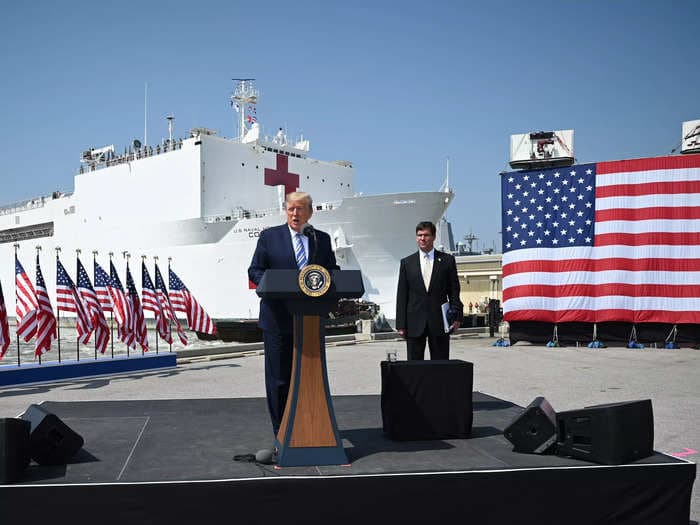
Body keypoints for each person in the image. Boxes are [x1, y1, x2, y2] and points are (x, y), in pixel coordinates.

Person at [248, 191, 339, 445]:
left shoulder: (321, 239)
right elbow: (255, 270)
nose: (295, 214)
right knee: (279, 380)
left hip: (310, 322)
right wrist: (269, 284)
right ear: (285, 211)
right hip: (277, 320)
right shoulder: (269, 237)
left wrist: (334, 281)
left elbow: (332, 272)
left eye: (300, 209)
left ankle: (309, 426)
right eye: (291, 209)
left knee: (311, 378)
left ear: (310, 212)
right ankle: (282, 433)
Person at [396, 221, 463, 360]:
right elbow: (402, 295)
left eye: (426, 235)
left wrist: (457, 317)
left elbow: (454, 290)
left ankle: (440, 383)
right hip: (414, 322)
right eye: (419, 235)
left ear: (433, 237)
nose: (422, 238)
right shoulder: (407, 263)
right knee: (414, 367)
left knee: (441, 366)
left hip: (439, 321)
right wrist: (401, 324)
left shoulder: (447, 261)